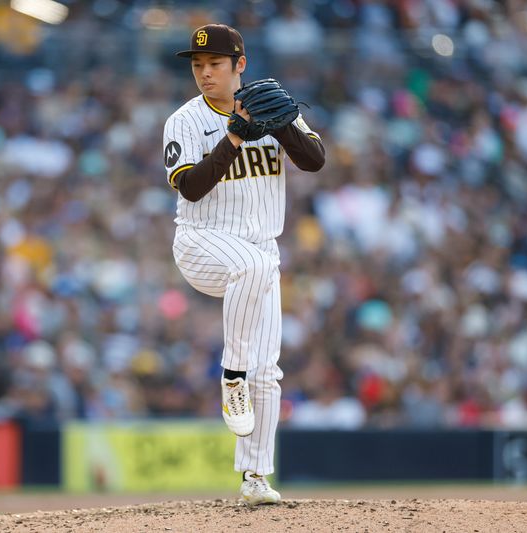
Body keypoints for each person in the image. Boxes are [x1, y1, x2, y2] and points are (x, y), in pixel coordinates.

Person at [162, 23, 325, 505]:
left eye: (214, 64)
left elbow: (314, 161)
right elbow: (190, 188)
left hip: (260, 248)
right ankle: (230, 376)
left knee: (268, 373)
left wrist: (282, 125)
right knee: (252, 269)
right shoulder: (185, 120)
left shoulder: (269, 103)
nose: (204, 73)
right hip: (202, 244)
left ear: (240, 66)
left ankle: (254, 478)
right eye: (197, 65)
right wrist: (234, 136)